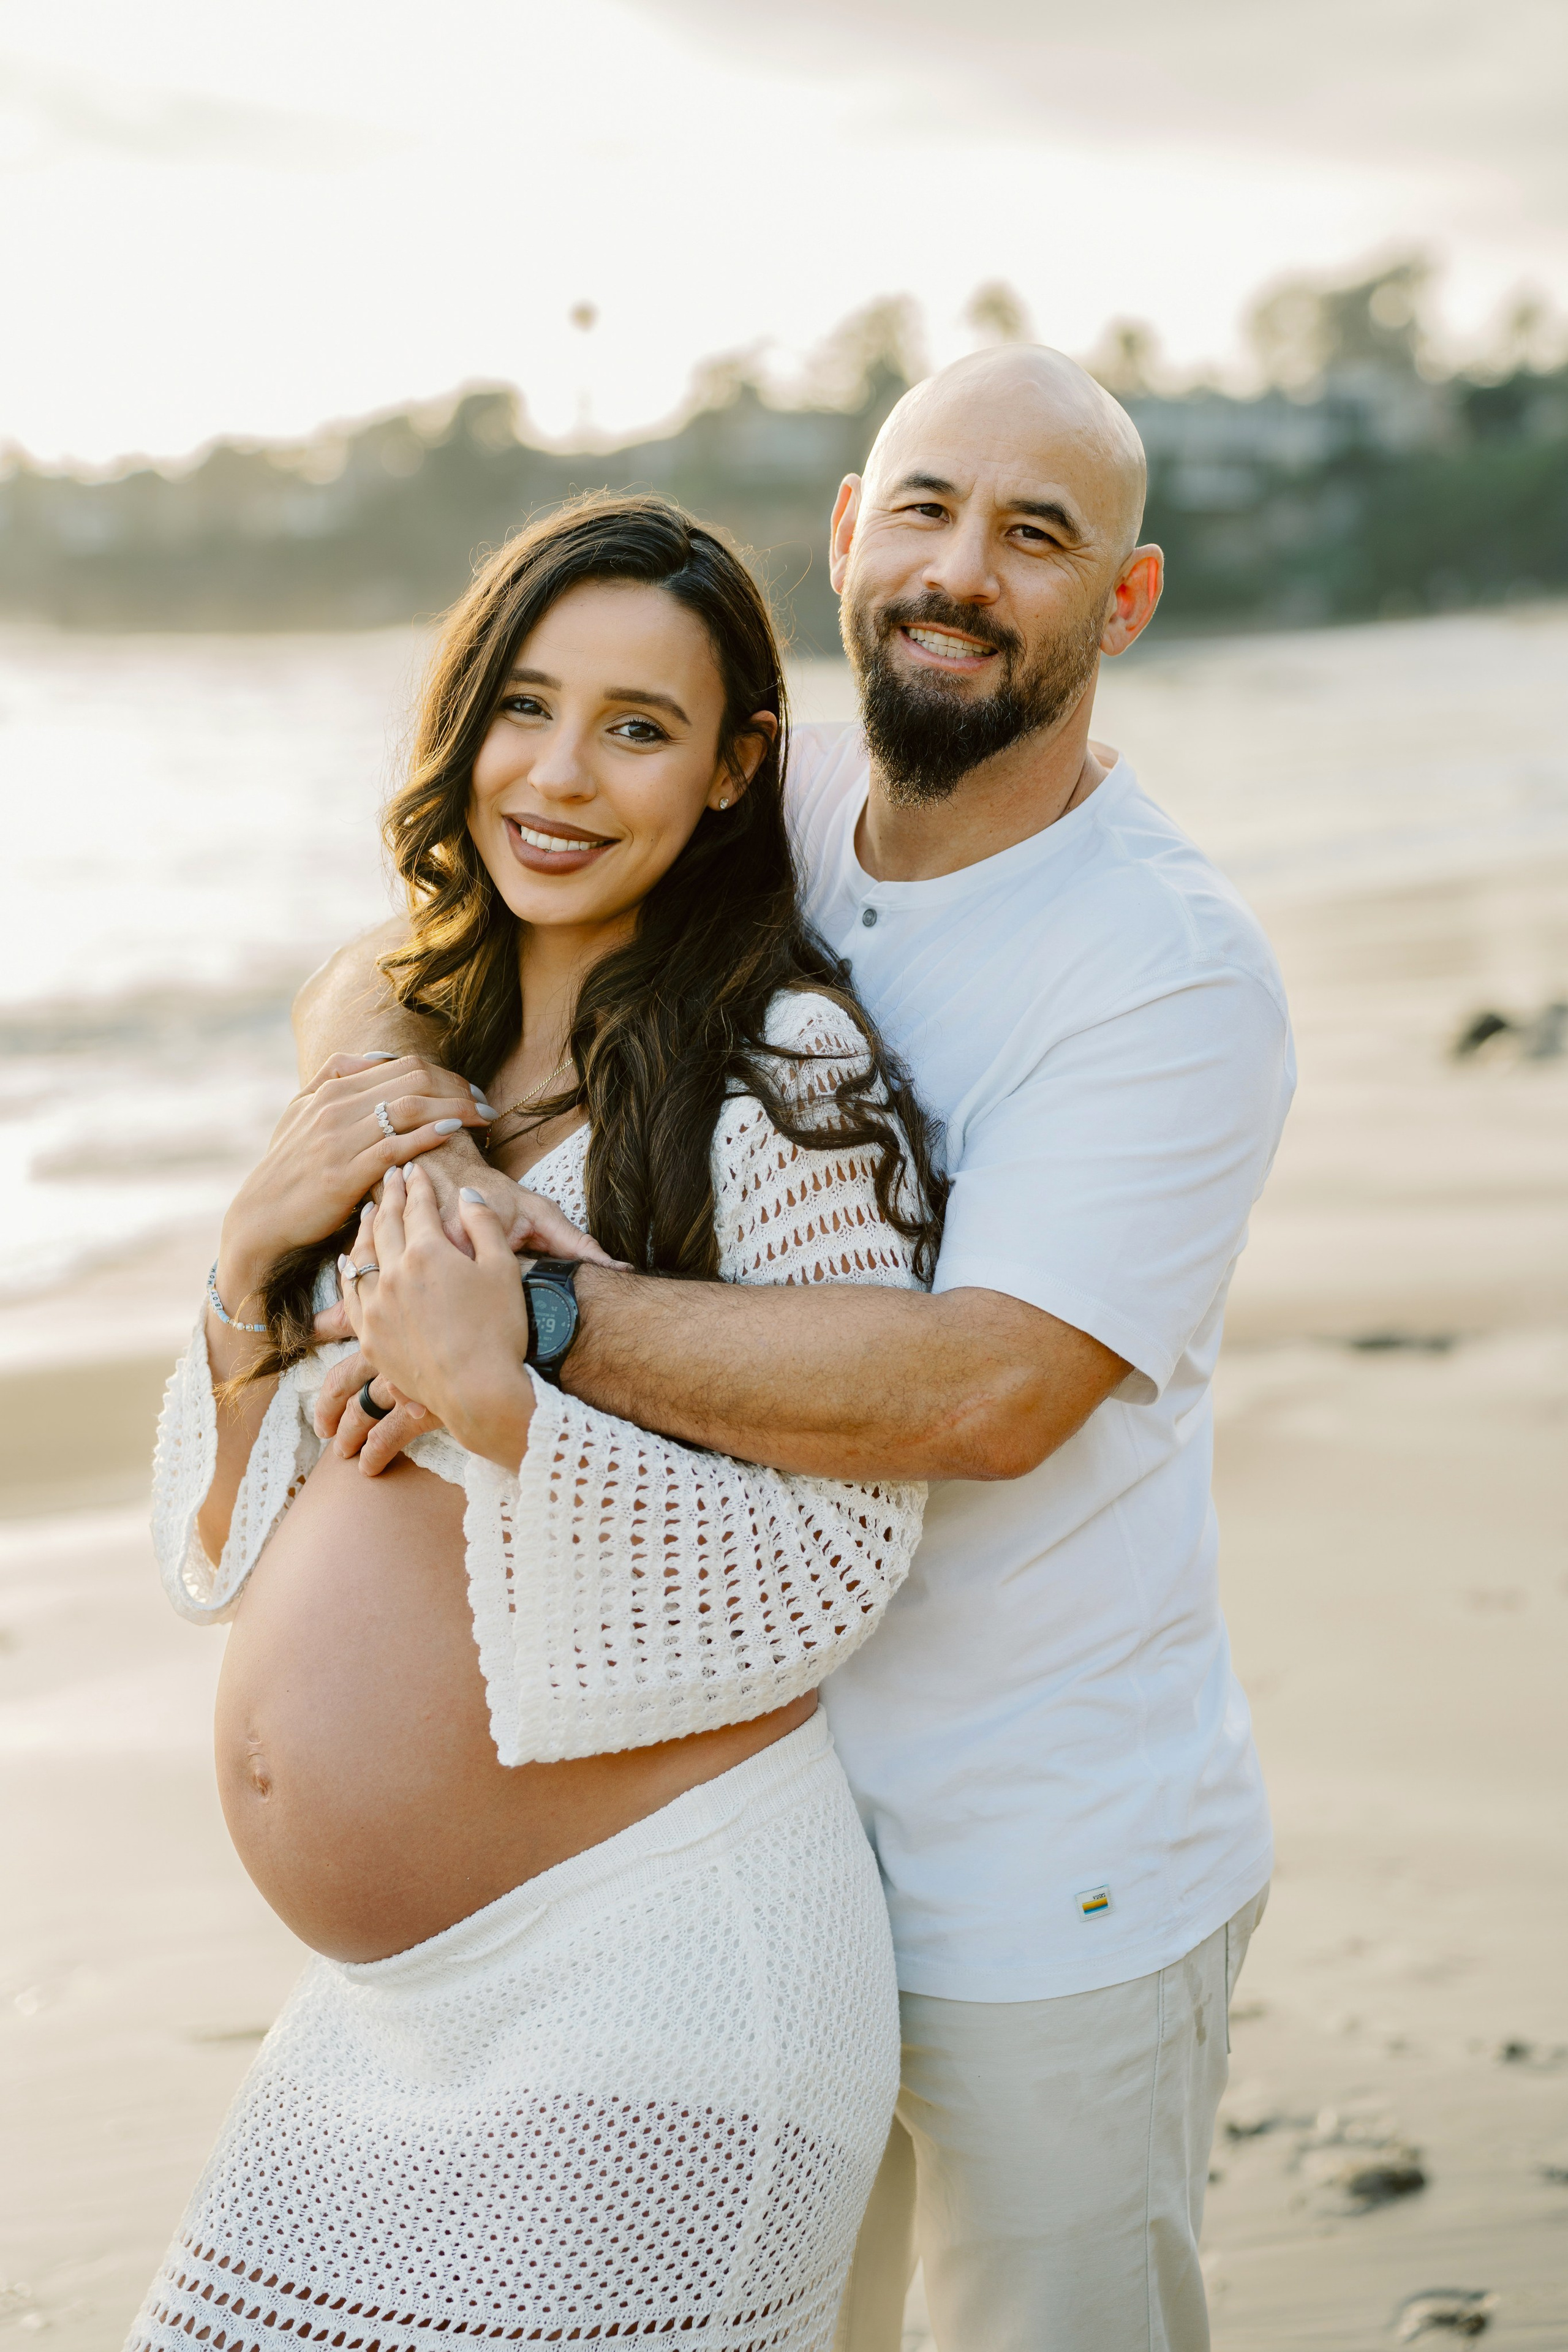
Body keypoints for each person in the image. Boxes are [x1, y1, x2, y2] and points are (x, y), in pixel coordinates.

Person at [304, 345, 1296, 2352]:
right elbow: (400, 956)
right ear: (848, 532)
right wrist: (411, 1147)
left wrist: (541, 1318)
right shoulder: (777, 793)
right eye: (925, 509)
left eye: (1037, 537)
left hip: (1048, 1872)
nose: (961, 571)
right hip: (730, 1858)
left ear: (1124, 603)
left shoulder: (1165, 975)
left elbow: (988, 1390)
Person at [132, 496, 949, 2352]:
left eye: (638, 727)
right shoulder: (412, 1058)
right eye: (524, 706)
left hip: (660, 1985)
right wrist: (247, 1278)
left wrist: (505, 1403)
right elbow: (224, 1553)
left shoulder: (783, 1077)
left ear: (739, 765)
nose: (559, 776)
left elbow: (842, 1554)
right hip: (385, 2025)